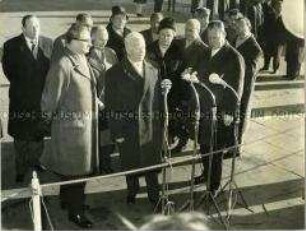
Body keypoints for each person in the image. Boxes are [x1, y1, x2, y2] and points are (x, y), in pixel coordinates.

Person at [41, 24, 98, 228]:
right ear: (72, 41)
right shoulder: (63, 64)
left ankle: (68, 202)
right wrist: (49, 124)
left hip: (84, 128)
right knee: (76, 172)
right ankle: (76, 212)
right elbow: (49, 101)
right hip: (71, 130)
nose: (90, 43)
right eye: (86, 40)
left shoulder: (82, 58)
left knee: (75, 171)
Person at [105, 32, 163, 210]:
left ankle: (155, 195)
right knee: (130, 163)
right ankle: (132, 190)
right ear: (127, 49)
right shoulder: (114, 73)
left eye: (143, 47)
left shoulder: (154, 68)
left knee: (151, 165)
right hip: (127, 129)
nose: (141, 51)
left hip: (151, 127)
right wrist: (117, 133)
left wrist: (161, 127)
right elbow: (111, 106)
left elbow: (158, 102)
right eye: (136, 47)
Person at [193, 21, 245, 195]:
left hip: (221, 111)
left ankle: (213, 186)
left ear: (224, 35)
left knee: (215, 149)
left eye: (216, 37)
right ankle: (206, 174)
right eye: (209, 38)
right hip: (204, 108)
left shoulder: (234, 57)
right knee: (204, 145)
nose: (212, 41)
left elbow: (236, 88)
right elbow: (199, 73)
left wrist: (230, 112)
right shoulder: (205, 51)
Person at [2, 15, 52, 183]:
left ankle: (35, 161)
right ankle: (20, 168)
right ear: (23, 28)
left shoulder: (48, 43)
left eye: (37, 25)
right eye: (31, 26)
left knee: (38, 135)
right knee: (21, 136)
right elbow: (9, 71)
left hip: (41, 100)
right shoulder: (11, 46)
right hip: (21, 99)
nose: (36, 29)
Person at [146, 17, 187, 153]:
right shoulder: (148, 50)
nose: (165, 38)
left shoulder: (179, 51)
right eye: (163, 34)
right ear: (158, 34)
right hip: (154, 95)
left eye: (169, 35)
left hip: (172, 97)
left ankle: (166, 149)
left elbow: (182, 74)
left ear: (174, 36)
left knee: (170, 126)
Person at [88, 25, 118, 174]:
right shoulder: (86, 56)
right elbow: (85, 83)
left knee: (107, 136)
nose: (103, 41)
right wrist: (95, 99)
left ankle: (106, 164)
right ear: (92, 39)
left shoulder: (111, 53)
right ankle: (94, 165)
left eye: (106, 38)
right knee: (94, 137)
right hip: (94, 104)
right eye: (100, 38)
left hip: (110, 102)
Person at [234, 17, 262, 155]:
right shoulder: (235, 39)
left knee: (241, 112)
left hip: (244, 85)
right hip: (232, 83)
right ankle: (230, 141)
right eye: (237, 26)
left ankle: (238, 145)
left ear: (249, 27)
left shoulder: (254, 47)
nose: (239, 29)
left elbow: (250, 72)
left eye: (242, 26)